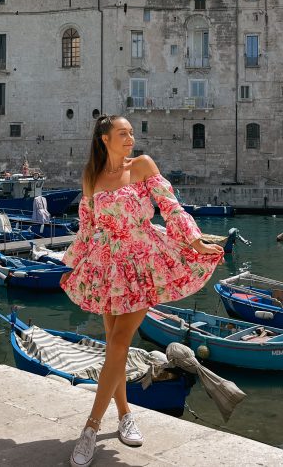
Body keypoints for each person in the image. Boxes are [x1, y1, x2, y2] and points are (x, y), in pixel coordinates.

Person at [61, 115, 223, 467]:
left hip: (144, 262)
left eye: (132, 133)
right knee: (112, 346)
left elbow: (170, 207)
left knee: (119, 344)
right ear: (105, 139)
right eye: (123, 134)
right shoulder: (91, 176)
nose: (131, 138)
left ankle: (90, 428)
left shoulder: (144, 166)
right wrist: (75, 262)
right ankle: (124, 415)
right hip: (107, 266)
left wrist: (195, 240)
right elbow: (88, 227)